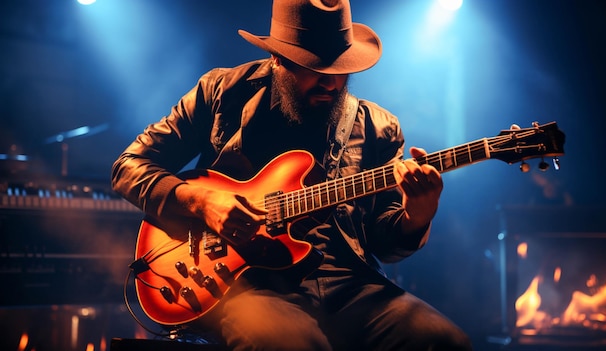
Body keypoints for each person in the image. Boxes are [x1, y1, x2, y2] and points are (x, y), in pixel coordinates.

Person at [111, 0, 473, 350]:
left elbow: (384, 243)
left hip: (348, 283)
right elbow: (129, 166)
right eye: (315, 70)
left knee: (444, 342)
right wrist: (203, 201)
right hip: (249, 284)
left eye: (340, 70)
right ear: (278, 58)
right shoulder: (222, 92)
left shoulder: (378, 127)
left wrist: (417, 215)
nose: (331, 84)